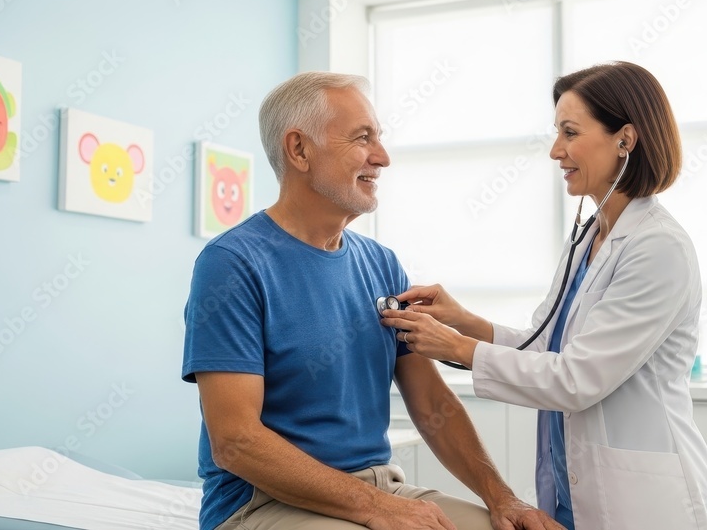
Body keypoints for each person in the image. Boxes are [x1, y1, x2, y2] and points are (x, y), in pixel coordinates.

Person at [181, 72, 563, 530]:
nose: (382, 158)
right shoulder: (233, 264)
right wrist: (376, 508)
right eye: (363, 138)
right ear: (299, 150)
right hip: (260, 503)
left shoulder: (381, 264)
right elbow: (236, 442)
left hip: (381, 485)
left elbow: (430, 403)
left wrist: (503, 499)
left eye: (379, 138)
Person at [380, 62, 707, 530]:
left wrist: (454, 346)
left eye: (569, 132)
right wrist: (463, 320)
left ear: (625, 139)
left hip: (644, 499)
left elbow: (577, 379)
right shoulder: (587, 239)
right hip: (574, 486)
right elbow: (545, 346)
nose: (555, 151)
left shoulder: (658, 247)